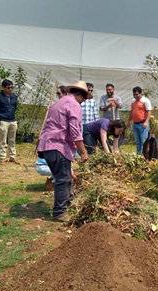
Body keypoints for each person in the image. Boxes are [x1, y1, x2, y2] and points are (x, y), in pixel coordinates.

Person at [37, 80, 90, 222]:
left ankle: (70, 203)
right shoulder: (74, 105)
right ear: (79, 94)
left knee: (64, 176)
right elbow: (75, 131)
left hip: (46, 145)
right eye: (84, 99)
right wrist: (84, 152)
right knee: (63, 179)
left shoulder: (61, 101)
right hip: (56, 145)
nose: (83, 102)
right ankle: (59, 213)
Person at [0, 79, 19, 165]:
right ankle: (2, 158)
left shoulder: (14, 96)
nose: (10, 89)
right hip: (3, 121)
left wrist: (12, 116)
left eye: (12, 87)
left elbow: (15, 107)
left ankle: (12, 157)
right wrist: (0, 117)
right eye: (8, 87)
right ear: (3, 87)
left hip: (12, 120)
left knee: (12, 140)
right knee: (3, 140)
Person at [127, 86, 152, 155]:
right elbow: (132, 112)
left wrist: (146, 122)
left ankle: (145, 155)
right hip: (135, 124)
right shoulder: (133, 101)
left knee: (144, 141)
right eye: (134, 94)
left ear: (141, 94)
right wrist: (129, 121)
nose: (135, 96)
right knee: (138, 142)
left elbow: (149, 112)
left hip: (142, 124)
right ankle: (138, 155)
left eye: (137, 94)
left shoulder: (145, 101)